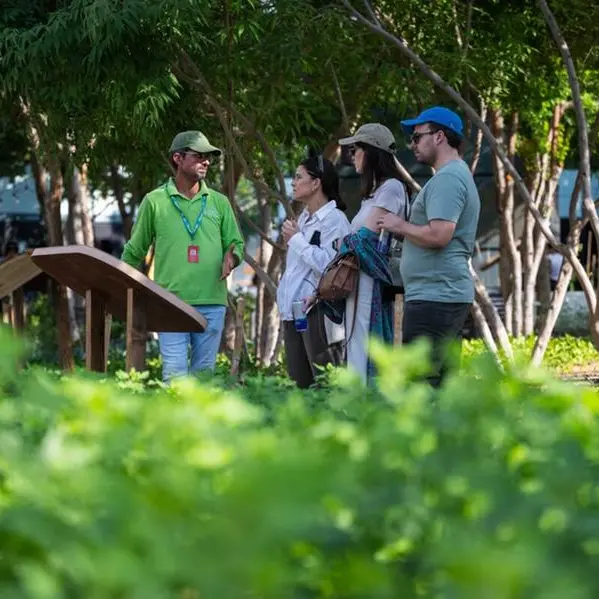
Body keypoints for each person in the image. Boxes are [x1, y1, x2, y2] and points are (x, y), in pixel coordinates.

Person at [121, 131, 244, 382]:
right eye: (199, 156)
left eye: (208, 157)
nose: (206, 161)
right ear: (178, 158)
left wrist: (233, 256)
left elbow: (235, 242)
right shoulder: (154, 201)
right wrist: (117, 288)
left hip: (212, 302)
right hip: (170, 303)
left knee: (203, 378)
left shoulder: (219, 202)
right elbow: (135, 250)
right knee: (175, 376)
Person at [377, 106, 481, 388]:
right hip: (438, 295)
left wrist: (398, 225)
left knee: (423, 386)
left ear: (439, 137)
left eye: (416, 136)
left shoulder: (448, 179)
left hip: (436, 297)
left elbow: (439, 235)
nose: (412, 144)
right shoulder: (449, 177)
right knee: (438, 385)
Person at [338, 123, 409, 383]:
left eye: (356, 149)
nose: (352, 155)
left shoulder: (391, 188)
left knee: (365, 345)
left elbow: (363, 240)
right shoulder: (376, 192)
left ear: (372, 152)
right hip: (359, 281)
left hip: (371, 283)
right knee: (356, 344)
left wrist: (342, 243)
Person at [278, 155, 351, 388]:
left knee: (326, 383)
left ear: (316, 183)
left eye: (299, 177)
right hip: (293, 312)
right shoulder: (304, 218)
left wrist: (297, 240)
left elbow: (331, 266)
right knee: (299, 385)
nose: (293, 182)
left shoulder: (335, 220)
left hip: (319, 312)